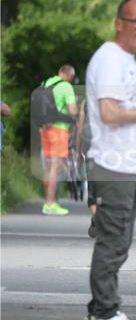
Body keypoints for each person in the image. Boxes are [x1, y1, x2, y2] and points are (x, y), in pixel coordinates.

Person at [85, 0, 136, 320]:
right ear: (119, 23)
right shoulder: (110, 59)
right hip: (113, 165)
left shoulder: (125, 60)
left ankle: (104, 311)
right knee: (113, 240)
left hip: (128, 167)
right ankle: (104, 313)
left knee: (120, 240)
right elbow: (110, 113)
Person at [39, 64, 79, 215]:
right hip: (59, 129)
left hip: (44, 128)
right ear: (69, 75)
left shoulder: (46, 83)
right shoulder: (66, 86)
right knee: (56, 167)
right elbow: (73, 110)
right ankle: (50, 203)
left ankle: (48, 201)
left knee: (48, 167)